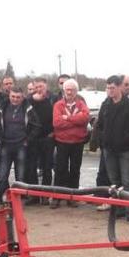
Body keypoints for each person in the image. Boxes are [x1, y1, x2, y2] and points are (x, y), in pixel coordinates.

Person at [95, 75, 129, 225]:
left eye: (113, 88)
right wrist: (103, 139)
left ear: (120, 87)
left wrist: (128, 139)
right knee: (114, 182)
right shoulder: (106, 104)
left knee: (128, 181)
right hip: (109, 149)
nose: (110, 91)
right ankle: (119, 210)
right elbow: (99, 124)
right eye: (108, 88)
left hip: (126, 149)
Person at [0, 87, 37, 204]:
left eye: (18, 97)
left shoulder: (28, 108)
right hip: (5, 145)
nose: (15, 99)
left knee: (21, 176)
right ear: (9, 96)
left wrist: (27, 140)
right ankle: (3, 199)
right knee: (2, 176)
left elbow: (36, 126)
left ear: (22, 97)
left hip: (21, 145)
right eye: (13, 96)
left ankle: (18, 200)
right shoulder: (2, 107)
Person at [51, 79, 90, 208]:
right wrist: (75, 121)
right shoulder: (58, 105)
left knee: (75, 170)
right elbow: (57, 123)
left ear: (76, 91)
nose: (69, 92)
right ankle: (57, 196)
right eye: (67, 89)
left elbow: (85, 119)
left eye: (72, 89)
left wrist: (67, 118)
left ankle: (73, 197)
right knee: (60, 169)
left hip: (78, 142)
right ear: (63, 90)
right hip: (62, 142)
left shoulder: (81, 104)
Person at [26, 78, 55, 196]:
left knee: (47, 167)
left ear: (46, 86)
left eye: (41, 86)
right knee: (32, 167)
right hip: (33, 138)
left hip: (48, 137)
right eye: (36, 87)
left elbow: (57, 117)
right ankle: (34, 195)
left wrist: (54, 132)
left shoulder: (52, 99)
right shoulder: (28, 101)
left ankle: (46, 194)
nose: (39, 89)